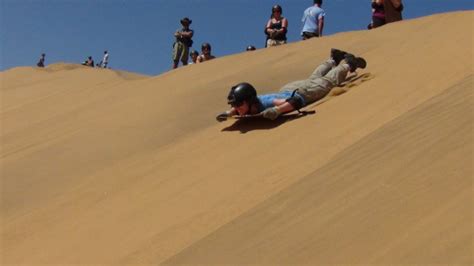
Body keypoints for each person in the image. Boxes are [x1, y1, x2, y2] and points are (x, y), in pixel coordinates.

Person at [216, 49, 367, 121]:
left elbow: (296, 102)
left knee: (327, 82)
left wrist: (277, 110)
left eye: (238, 104)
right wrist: (228, 113)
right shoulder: (247, 104)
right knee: (314, 78)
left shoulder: (266, 102)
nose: (236, 108)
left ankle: (347, 64)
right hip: (289, 88)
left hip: (299, 93)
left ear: (248, 101)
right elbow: (237, 109)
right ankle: (333, 59)